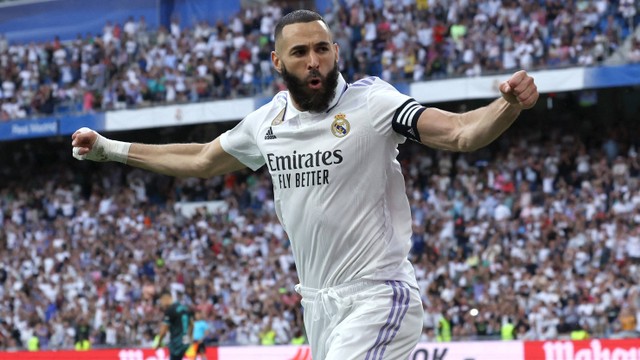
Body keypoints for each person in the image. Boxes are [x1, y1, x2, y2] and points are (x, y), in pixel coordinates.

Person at [71, 9, 538, 360]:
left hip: (378, 293)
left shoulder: (373, 103)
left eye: (322, 48)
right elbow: (201, 158)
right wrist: (109, 148)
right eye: (300, 52)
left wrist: (508, 106)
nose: (314, 61)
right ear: (278, 60)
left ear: (336, 51)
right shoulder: (267, 121)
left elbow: (459, 132)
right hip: (317, 305)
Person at [154, 290, 194, 360]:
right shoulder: (185, 308)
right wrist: (190, 338)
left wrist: (159, 342)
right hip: (185, 341)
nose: (162, 304)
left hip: (176, 343)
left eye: (161, 301)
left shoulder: (170, 310)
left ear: (165, 298)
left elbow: (163, 331)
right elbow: (192, 325)